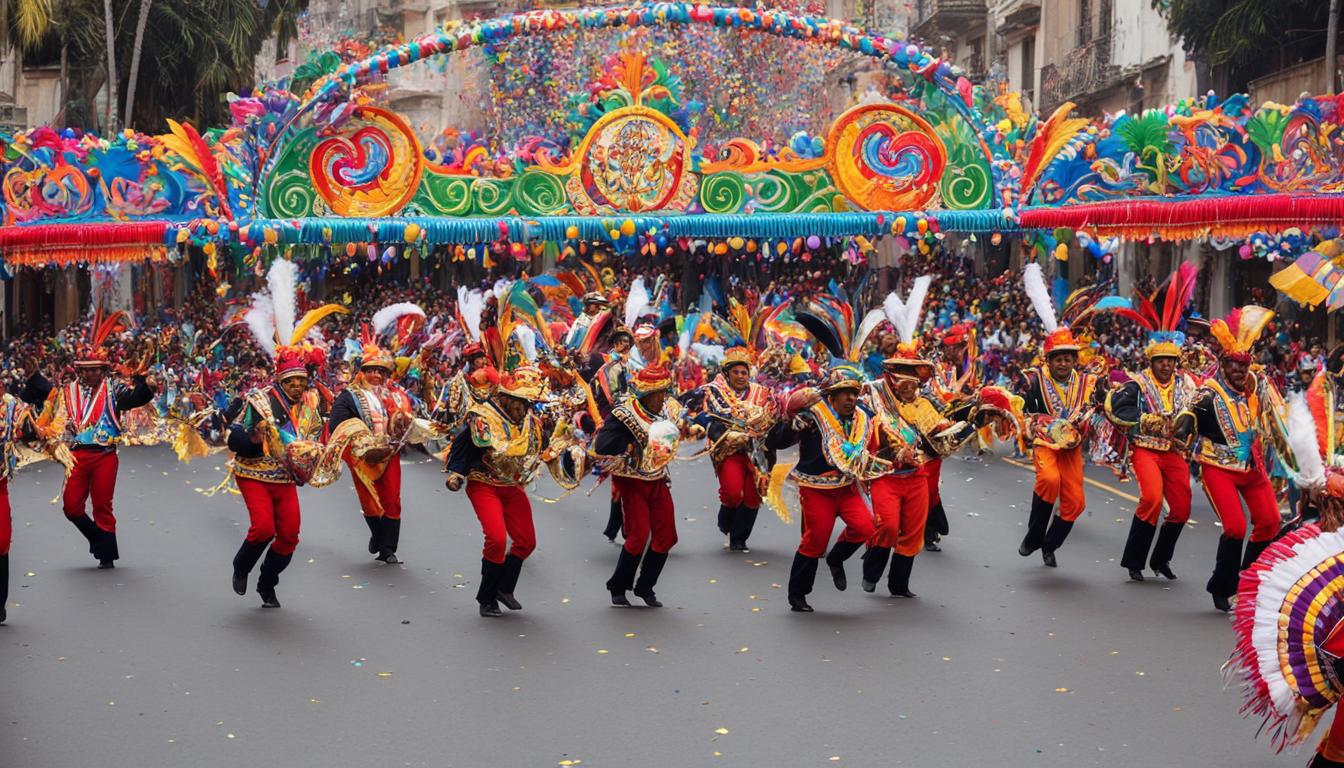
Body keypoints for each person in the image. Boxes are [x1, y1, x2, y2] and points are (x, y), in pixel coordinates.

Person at [22, 311, 158, 569]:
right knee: (71, 507)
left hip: (105, 455)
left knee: (102, 505)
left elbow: (139, 398)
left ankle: (107, 555)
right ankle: (98, 538)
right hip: (77, 456)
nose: (92, 374)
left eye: (96, 370)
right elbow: (59, 422)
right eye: (87, 370)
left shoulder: (114, 389)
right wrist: (42, 432)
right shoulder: (68, 392)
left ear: (102, 370)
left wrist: (141, 380)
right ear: (81, 371)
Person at [1174, 306, 1282, 612]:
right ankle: (1223, 586)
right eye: (1233, 365)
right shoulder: (1208, 392)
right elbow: (1189, 409)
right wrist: (1183, 425)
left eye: (1242, 365)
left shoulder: (1257, 386)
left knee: (1271, 522)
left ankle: (1249, 580)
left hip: (1251, 466)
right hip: (1217, 466)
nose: (1238, 370)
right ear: (1222, 364)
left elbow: (1278, 414)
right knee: (1235, 526)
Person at [1103, 267, 1200, 582]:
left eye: (1171, 360)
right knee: (1152, 500)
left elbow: (1200, 410)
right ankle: (1134, 561)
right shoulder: (1137, 383)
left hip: (1174, 452)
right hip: (1145, 448)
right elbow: (1119, 408)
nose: (1166, 365)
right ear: (1151, 361)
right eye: (1161, 360)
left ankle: (1161, 559)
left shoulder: (1186, 384)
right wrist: (1147, 420)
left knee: (1183, 508)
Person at [766, 364, 888, 613]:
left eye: (854, 393)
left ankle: (836, 558)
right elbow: (774, 441)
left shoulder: (862, 415)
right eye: (845, 393)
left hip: (846, 487)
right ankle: (797, 594)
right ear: (831, 395)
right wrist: (791, 426)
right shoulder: (811, 416)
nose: (851, 398)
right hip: (816, 488)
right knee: (815, 540)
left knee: (866, 527)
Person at [862, 352, 976, 597]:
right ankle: (871, 572)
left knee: (913, 532)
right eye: (902, 376)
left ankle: (899, 585)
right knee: (889, 526)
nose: (908, 384)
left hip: (916, 475)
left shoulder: (923, 405)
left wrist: (972, 420)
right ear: (891, 379)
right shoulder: (875, 401)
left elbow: (939, 433)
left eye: (913, 378)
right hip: (886, 475)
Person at [226, 348, 328, 607]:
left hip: (283, 477)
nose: (296, 387)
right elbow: (235, 437)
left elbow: (314, 437)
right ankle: (242, 566)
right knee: (263, 528)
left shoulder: (310, 407)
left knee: (290, 535)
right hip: (253, 472)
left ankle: (267, 583)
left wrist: (310, 452)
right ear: (279, 382)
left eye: (300, 382)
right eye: (290, 382)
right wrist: (255, 438)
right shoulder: (259, 402)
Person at [1017, 264, 1104, 568]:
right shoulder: (1034, 379)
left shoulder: (1087, 381)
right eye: (1059, 359)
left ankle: (1050, 544)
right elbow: (1022, 408)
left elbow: (1100, 404)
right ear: (1049, 360)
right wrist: (1031, 423)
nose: (1064, 363)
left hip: (1072, 447)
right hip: (1045, 443)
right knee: (1049, 480)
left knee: (1075, 504)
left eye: (1068, 358)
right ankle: (1033, 535)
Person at [592, 364, 699, 607]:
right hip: (631, 480)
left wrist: (693, 429)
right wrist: (630, 444)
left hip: (657, 478)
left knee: (667, 535)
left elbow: (679, 429)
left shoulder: (667, 410)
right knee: (638, 535)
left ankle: (645, 586)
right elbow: (604, 444)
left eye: (664, 392)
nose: (662, 398)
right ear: (645, 394)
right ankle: (618, 586)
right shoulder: (624, 413)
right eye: (657, 394)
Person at [445, 367, 547, 618]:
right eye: (521, 401)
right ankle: (486, 598)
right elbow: (463, 444)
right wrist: (457, 473)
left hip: (511, 484)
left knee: (526, 541)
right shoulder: (482, 415)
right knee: (497, 539)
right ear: (507, 397)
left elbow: (539, 448)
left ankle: (504, 588)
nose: (525, 407)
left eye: (528, 402)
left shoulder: (530, 421)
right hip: (484, 482)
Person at [328, 341, 415, 564]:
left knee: (392, 499)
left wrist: (402, 424)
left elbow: (406, 418)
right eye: (371, 370)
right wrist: (360, 440)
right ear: (363, 372)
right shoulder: (349, 396)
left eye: (380, 371)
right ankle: (377, 534)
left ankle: (388, 549)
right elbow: (337, 423)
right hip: (362, 455)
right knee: (369, 499)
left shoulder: (396, 395)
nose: (376, 374)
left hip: (390, 451)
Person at [704, 347, 777, 552]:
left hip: (756, 453)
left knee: (754, 497)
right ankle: (725, 519)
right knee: (733, 492)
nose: (740, 376)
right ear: (727, 374)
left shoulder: (762, 394)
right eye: (735, 372)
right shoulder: (716, 393)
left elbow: (772, 418)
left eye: (744, 372)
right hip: (729, 451)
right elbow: (709, 419)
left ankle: (739, 539)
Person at [924, 322, 981, 552]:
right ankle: (929, 530)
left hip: (940, 437)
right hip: (922, 434)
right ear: (948, 349)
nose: (962, 354)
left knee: (930, 485)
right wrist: (962, 400)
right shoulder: (933, 367)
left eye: (964, 349)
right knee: (926, 485)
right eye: (959, 349)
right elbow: (935, 398)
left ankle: (929, 528)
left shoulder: (961, 368)